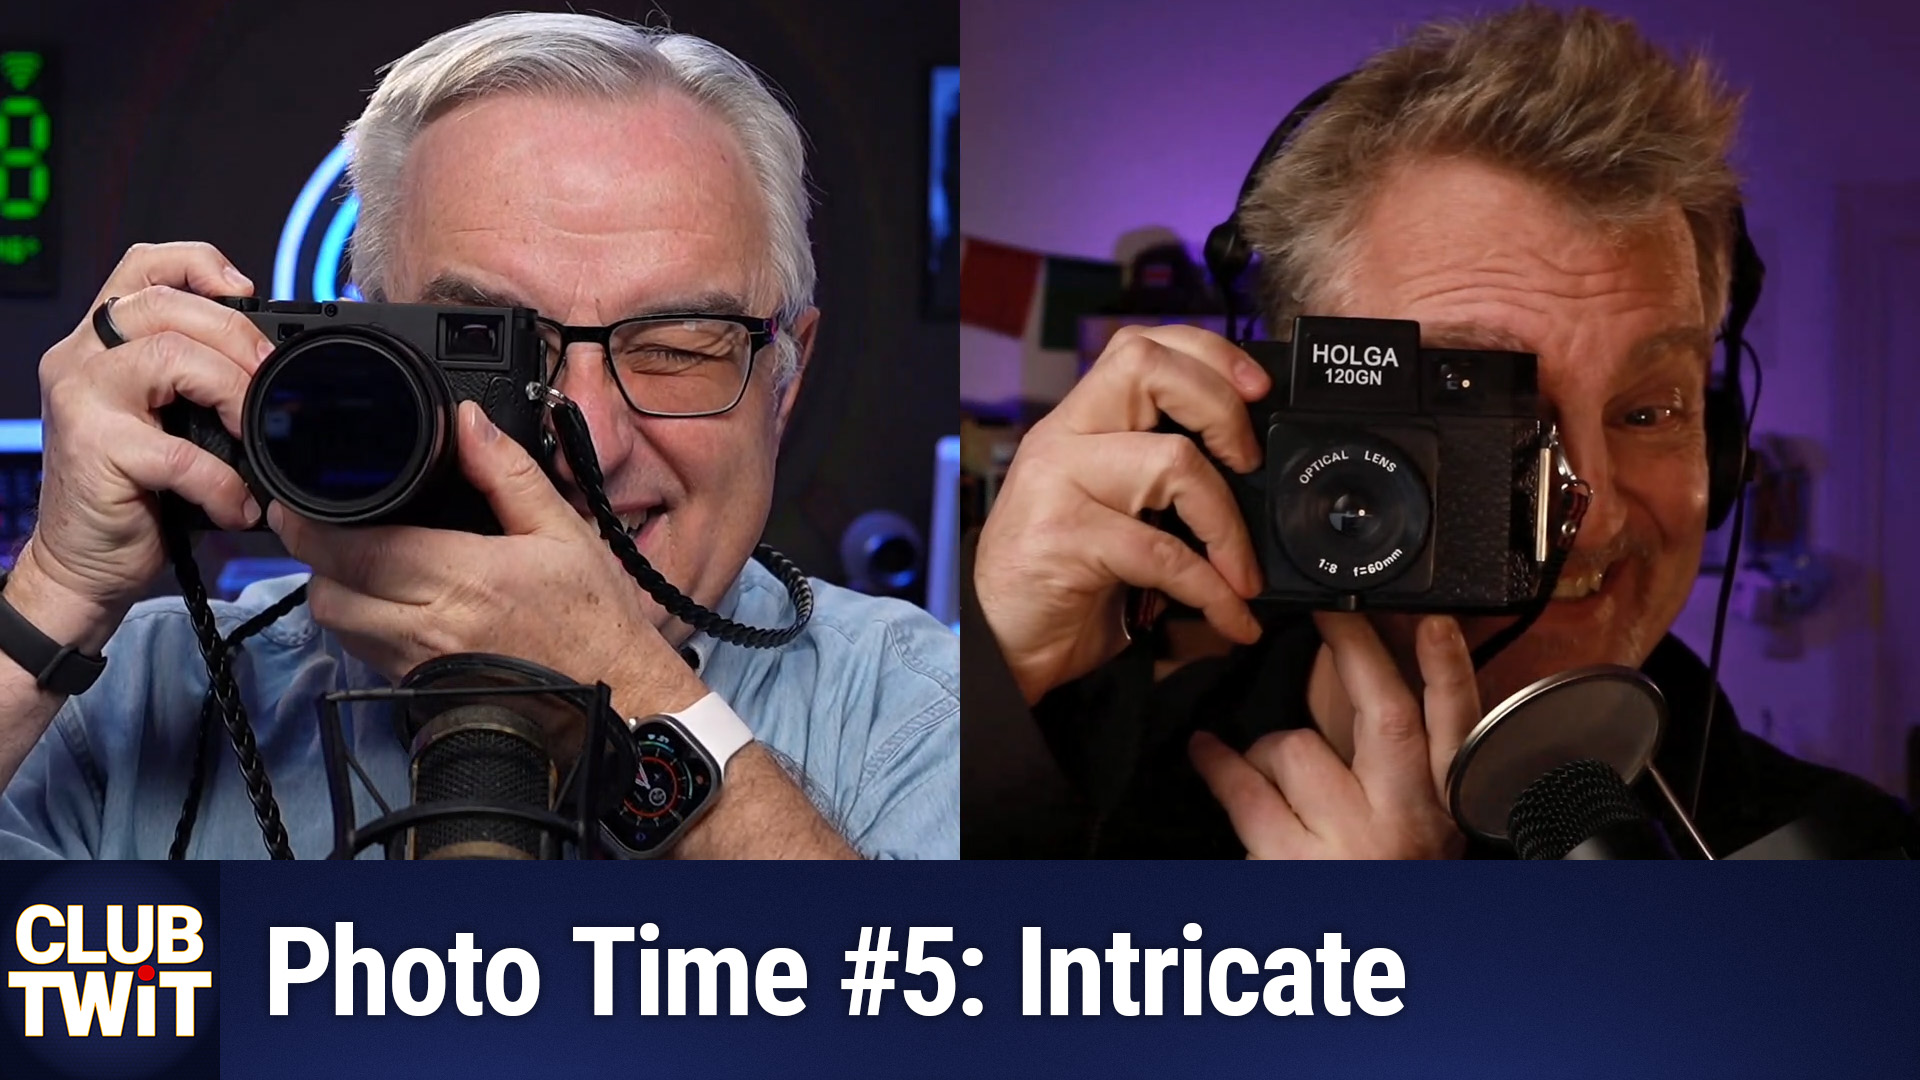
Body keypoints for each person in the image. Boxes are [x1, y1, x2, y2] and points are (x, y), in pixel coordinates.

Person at [964, 4, 1914, 858]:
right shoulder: (1077, 794)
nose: (1589, 516)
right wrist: (988, 686)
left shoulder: (1856, 858)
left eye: (1649, 411)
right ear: (1287, 415)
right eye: (1479, 406)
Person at [0, 13, 957, 859]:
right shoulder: (134, 700)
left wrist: (627, 689)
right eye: (492, 350)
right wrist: (54, 593)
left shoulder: (920, 717)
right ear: (369, 351)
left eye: (673, 347)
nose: (588, 441)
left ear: (782, 381)